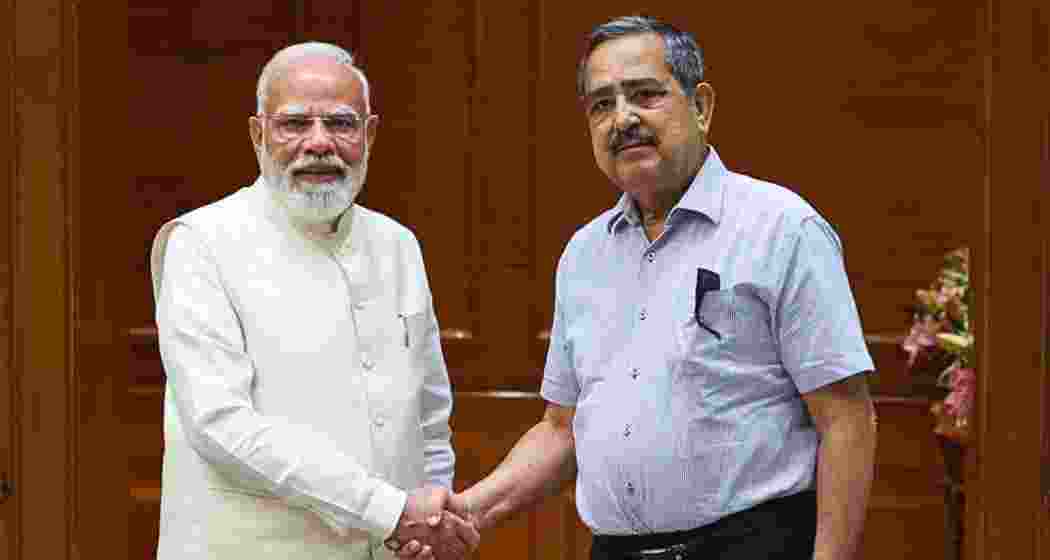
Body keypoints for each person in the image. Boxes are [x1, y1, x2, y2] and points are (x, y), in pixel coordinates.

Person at [395, 14, 879, 560]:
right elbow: (561, 429)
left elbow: (846, 419)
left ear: (701, 107)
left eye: (645, 95)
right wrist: (468, 513)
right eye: (601, 104)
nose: (622, 118)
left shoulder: (781, 229)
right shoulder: (583, 255)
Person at [149, 42, 479, 559]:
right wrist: (390, 509)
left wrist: (427, 521)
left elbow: (430, 417)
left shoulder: (398, 245)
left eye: (341, 123)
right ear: (258, 134)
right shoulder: (201, 243)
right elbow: (222, 426)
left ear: (369, 134)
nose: (319, 143)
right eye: (294, 124)